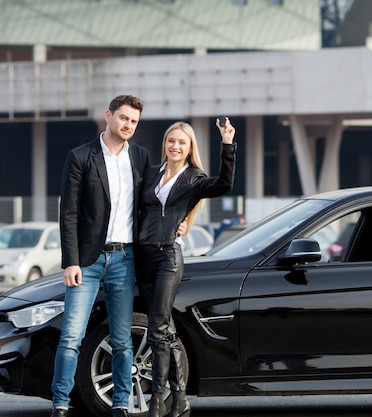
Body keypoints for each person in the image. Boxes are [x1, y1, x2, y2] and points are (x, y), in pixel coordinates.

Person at [50, 95, 149, 417]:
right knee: (71, 337)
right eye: (123, 118)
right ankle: (60, 403)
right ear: (108, 116)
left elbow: (152, 205)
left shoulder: (141, 157)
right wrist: (71, 261)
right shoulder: (81, 156)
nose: (128, 125)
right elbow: (69, 213)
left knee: (122, 338)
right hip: (88, 262)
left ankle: (121, 402)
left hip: (126, 259)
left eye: (133, 121)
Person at [136, 118, 237, 417]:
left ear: (190, 147)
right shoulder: (151, 174)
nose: (175, 146)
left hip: (168, 257)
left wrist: (228, 145)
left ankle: (157, 401)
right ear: (164, 144)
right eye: (171, 141)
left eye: (182, 142)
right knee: (165, 328)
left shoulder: (195, 178)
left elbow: (224, 184)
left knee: (156, 328)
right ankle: (180, 400)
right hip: (143, 257)